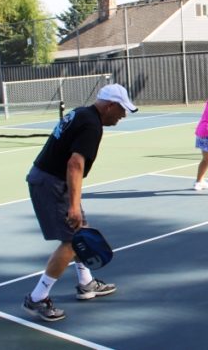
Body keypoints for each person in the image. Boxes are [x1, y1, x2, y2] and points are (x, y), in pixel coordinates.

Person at [22, 83, 138, 322]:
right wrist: (74, 205)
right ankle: (37, 298)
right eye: (122, 110)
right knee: (71, 242)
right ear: (110, 106)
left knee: (79, 233)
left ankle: (86, 284)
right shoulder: (91, 125)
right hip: (52, 183)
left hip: (52, 179)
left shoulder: (82, 113)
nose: (123, 115)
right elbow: (75, 164)